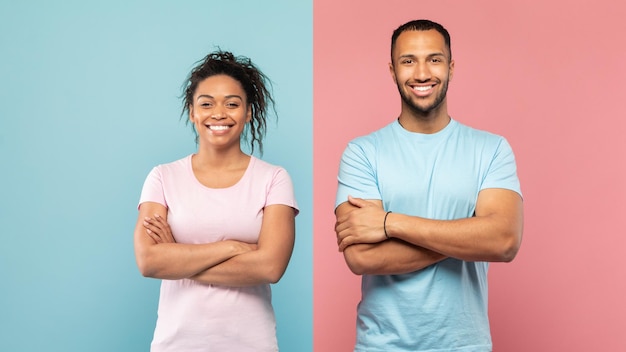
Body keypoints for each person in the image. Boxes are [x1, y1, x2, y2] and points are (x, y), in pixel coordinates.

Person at [334, 19, 523, 351]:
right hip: (382, 345)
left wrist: (389, 222)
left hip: (465, 345)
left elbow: (504, 240)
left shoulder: (491, 149)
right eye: (408, 61)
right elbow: (362, 257)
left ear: (451, 67)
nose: (422, 73)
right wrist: (471, 237)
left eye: (434, 59)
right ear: (392, 70)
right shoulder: (362, 152)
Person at [134, 51, 299, 351]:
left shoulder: (274, 179)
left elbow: (270, 267)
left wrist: (177, 257)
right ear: (192, 112)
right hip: (176, 344)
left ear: (248, 112)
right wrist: (233, 248)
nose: (219, 113)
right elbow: (148, 261)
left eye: (232, 104)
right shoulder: (162, 177)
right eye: (206, 103)